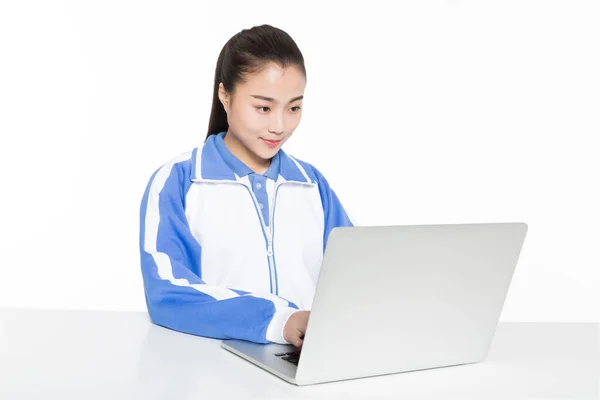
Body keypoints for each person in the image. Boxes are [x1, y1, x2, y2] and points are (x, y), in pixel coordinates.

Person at [139, 24, 354, 349]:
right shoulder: (180, 180)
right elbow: (167, 293)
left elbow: (356, 276)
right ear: (225, 95)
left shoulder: (312, 184)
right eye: (263, 108)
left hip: (304, 366)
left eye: (294, 107)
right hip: (208, 368)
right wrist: (279, 320)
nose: (279, 126)